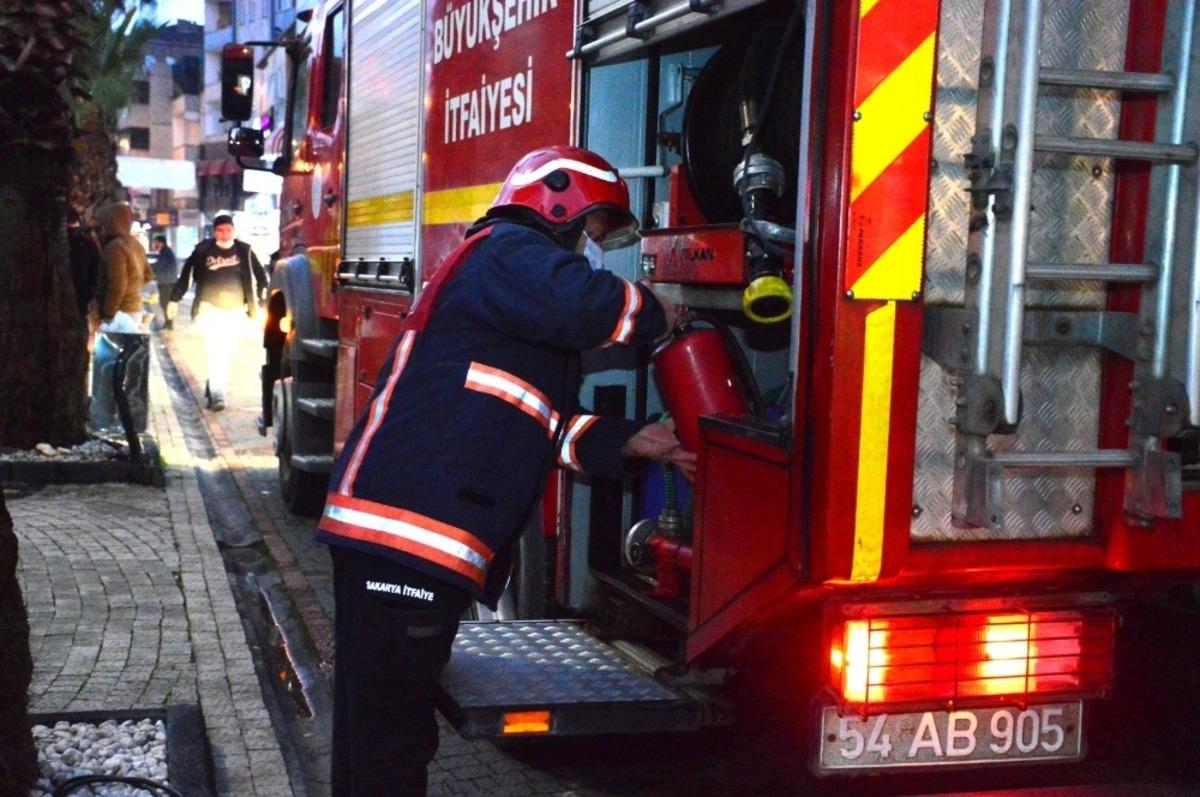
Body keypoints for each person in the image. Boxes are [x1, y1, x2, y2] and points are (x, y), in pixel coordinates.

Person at [315, 145, 697, 796]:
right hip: (403, 541)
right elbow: (586, 303)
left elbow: (535, 424)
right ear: (558, 204)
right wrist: (661, 310)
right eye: (593, 233)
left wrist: (631, 440)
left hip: (395, 543)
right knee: (391, 744)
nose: (590, 252)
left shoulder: (509, 295)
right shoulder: (506, 252)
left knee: (375, 731)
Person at [166, 214, 268, 411]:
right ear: (214, 232)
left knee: (225, 352)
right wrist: (174, 299)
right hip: (209, 309)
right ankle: (218, 395)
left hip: (235, 311)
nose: (224, 234)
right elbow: (186, 276)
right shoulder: (203, 251)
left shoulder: (244, 251)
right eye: (220, 230)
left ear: (234, 230)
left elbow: (261, 277)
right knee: (215, 351)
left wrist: (262, 301)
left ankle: (213, 388)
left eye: (228, 230)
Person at [96, 201, 153, 327]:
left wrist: (108, 314)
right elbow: (149, 274)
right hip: (134, 309)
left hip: (119, 312)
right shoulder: (136, 244)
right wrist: (134, 287)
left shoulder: (115, 248)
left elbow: (117, 284)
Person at [150, 234, 178, 330]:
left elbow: (159, 265)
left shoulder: (165, 251)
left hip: (167, 282)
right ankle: (168, 322)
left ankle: (169, 323)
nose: (154, 245)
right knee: (165, 303)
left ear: (160, 243)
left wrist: (148, 267)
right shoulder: (165, 251)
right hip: (167, 281)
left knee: (165, 303)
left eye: (155, 243)